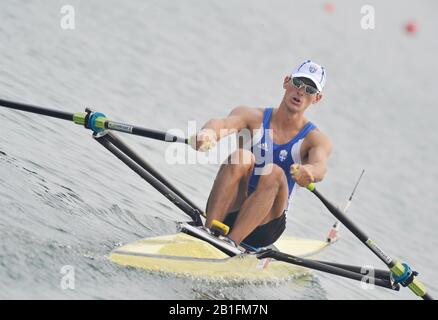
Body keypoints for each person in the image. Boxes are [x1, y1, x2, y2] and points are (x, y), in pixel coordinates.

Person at [191, 60, 332, 249]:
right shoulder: (250, 116)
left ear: (317, 98)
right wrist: (208, 133)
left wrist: (309, 172)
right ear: (286, 82)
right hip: (231, 208)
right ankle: (208, 232)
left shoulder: (315, 139)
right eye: (298, 83)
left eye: (309, 90)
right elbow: (222, 124)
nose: (300, 92)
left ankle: (232, 243)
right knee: (242, 156)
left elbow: (320, 166)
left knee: (273, 171)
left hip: (265, 226)